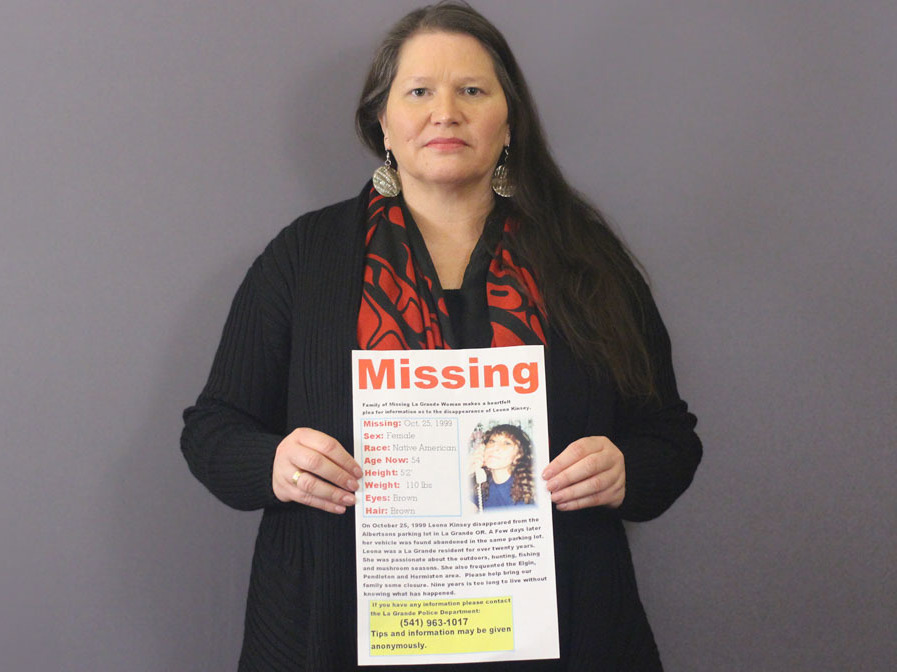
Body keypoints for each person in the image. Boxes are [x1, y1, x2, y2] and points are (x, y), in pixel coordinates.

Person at [181, 2, 702, 670]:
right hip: (339, 629)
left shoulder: (584, 257)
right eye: (419, 91)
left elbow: (669, 437)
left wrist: (626, 469)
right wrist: (274, 464)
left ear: (507, 119)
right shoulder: (305, 257)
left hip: (560, 630)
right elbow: (213, 429)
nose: (445, 111)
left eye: (472, 91)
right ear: (382, 121)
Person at [468, 423, 536, 510]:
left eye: (507, 443)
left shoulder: (528, 494)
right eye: (492, 441)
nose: (495, 447)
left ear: (518, 455)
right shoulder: (480, 487)